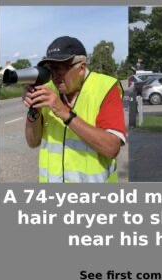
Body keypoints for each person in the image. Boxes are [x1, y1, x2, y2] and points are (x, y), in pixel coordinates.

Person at [23, 36, 126, 183]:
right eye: (51, 69)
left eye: (61, 69)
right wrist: (34, 109)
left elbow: (111, 148)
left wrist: (65, 113)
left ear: (81, 68)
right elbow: (32, 142)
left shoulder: (105, 88)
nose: (55, 77)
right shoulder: (48, 90)